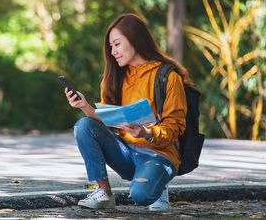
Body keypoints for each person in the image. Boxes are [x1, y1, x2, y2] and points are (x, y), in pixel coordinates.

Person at [63, 13, 193, 211]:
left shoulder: (167, 77)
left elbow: (175, 127)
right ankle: (103, 192)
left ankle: (159, 184)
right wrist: (85, 107)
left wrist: (147, 133)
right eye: (110, 47)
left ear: (135, 40)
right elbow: (108, 122)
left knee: (141, 196)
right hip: (126, 153)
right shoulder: (114, 77)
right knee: (83, 126)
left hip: (158, 155)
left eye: (117, 44)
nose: (113, 51)